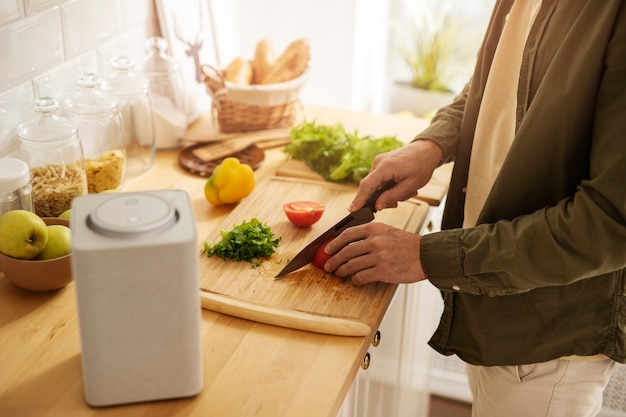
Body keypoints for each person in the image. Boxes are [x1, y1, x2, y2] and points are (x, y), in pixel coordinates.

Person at [322, 0, 626, 416]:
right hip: (491, 296)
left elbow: (607, 225)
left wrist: (428, 255)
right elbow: (503, 73)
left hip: (548, 338)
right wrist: (433, 144)